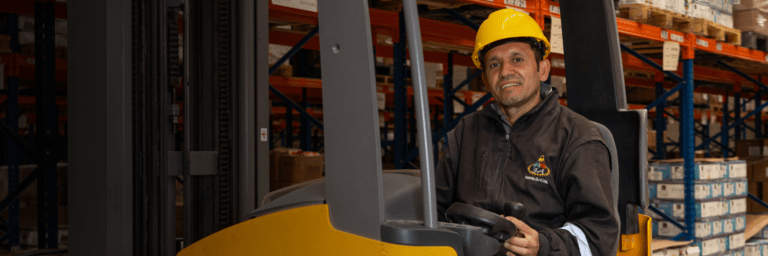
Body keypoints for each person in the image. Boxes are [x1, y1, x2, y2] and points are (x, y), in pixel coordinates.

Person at [435, 8, 619, 256]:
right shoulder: (465, 132)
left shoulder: (578, 137)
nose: (505, 71)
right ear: (487, 80)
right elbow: (434, 208)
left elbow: (599, 238)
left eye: (517, 59)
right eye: (494, 64)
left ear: (542, 70)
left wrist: (542, 246)